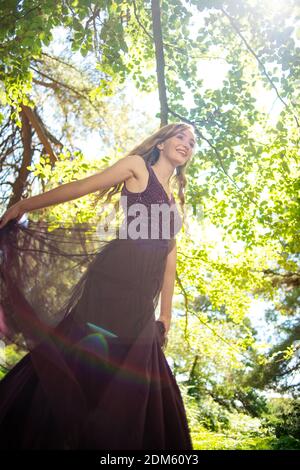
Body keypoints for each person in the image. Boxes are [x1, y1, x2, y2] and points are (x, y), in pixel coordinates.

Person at [0, 122, 196, 450]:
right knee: (82, 358)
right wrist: (23, 206)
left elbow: (169, 262)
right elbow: (83, 187)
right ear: (161, 144)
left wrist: (166, 315)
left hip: (141, 300)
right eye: (181, 137)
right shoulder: (138, 168)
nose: (187, 144)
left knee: (136, 379)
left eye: (192, 142)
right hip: (112, 281)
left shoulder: (174, 204)